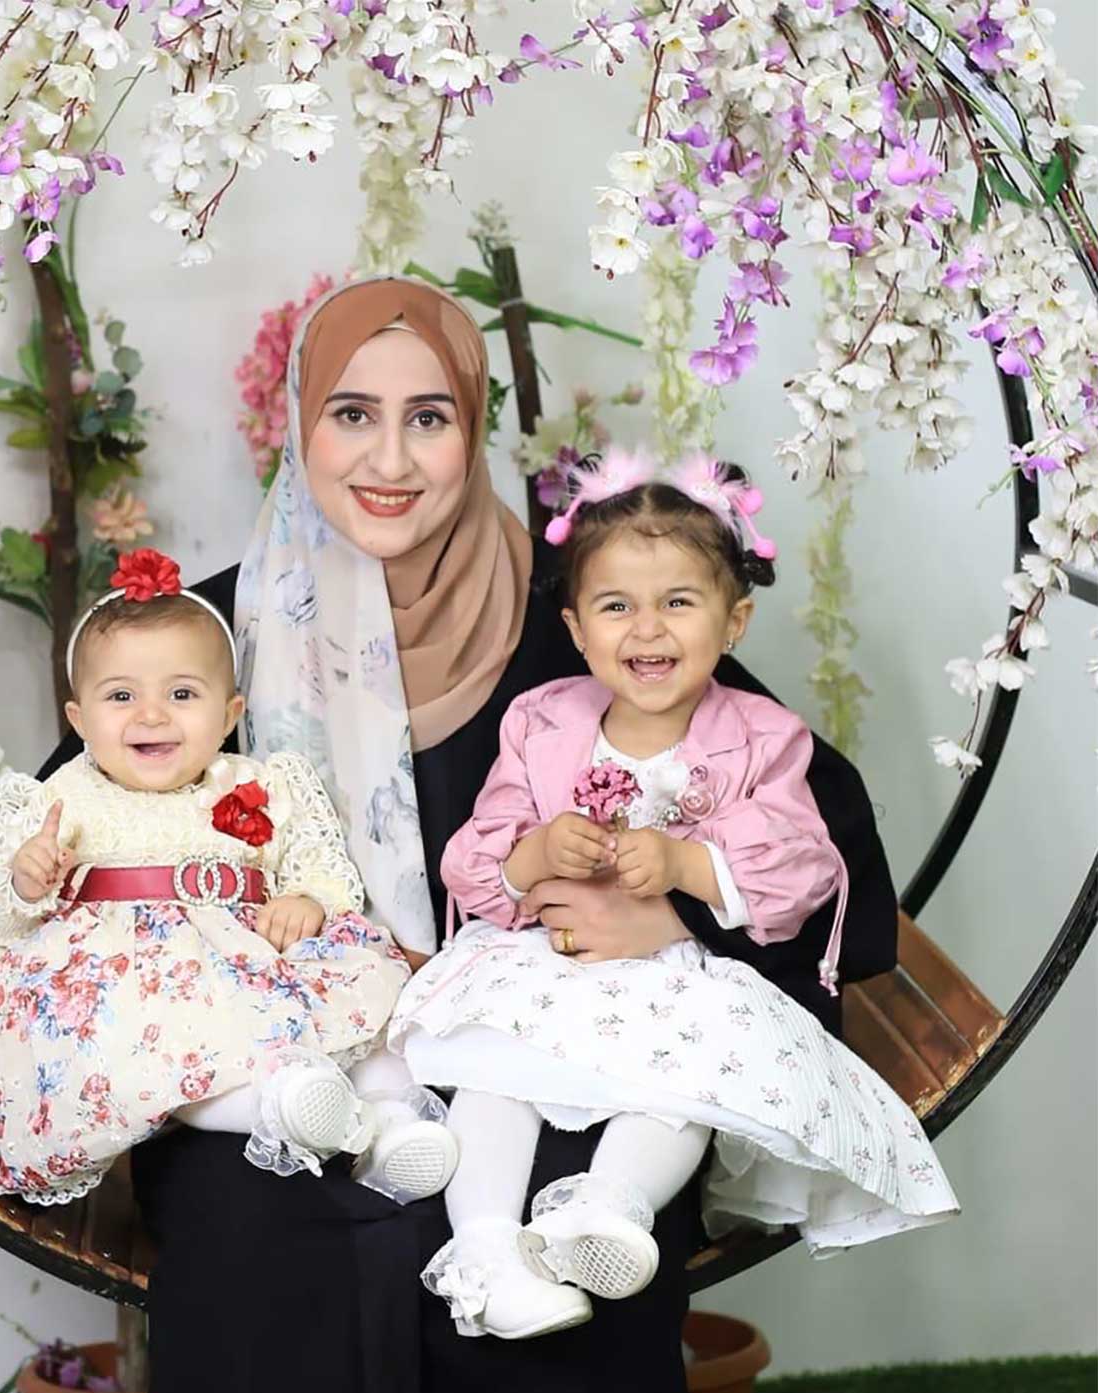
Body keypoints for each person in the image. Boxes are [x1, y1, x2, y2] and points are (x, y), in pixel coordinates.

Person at [40, 278, 900, 1393]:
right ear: (294, 430)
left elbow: (804, 829)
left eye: (428, 416)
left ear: (477, 433)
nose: (391, 456)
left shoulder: (583, 625)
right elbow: (81, 850)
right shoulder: (204, 643)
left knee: (559, 1268)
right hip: (291, 1070)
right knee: (277, 1255)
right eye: (351, 415)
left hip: (560, 1043)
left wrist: (674, 909)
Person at [390, 449, 957, 1339]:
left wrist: (688, 867)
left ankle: (607, 1209)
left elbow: (802, 864)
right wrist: (536, 853)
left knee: (682, 1083)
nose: (646, 630)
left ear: (734, 621)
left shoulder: (762, 736)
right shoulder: (541, 721)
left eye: (679, 603)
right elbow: (476, 860)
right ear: (577, 629)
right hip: (546, 965)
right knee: (493, 1078)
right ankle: (488, 1254)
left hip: (675, 976)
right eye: (616, 606)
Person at [0, 545, 457, 1208]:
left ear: (230, 715)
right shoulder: (62, 799)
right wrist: (26, 881)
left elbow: (319, 863)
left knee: (360, 1009)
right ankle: (284, 1105)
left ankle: (393, 1121)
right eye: (121, 696)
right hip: (133, 984)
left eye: (182, 694)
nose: (151, 715)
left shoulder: (262, 783)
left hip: (251, 962)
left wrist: (308, 900)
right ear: (79, 719)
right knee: (166, 1064)